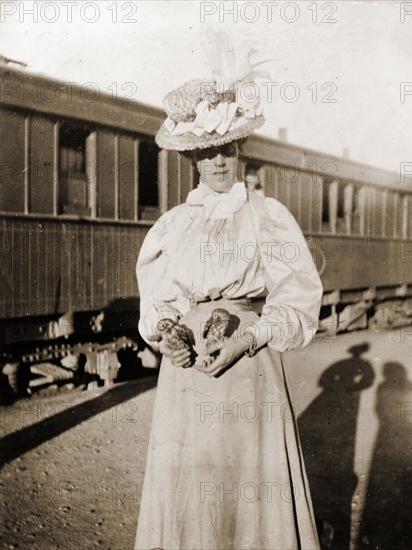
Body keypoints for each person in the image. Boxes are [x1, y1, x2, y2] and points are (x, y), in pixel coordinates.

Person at [134, 30, 323, 550]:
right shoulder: (173, 227)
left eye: (227, 150)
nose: (218, 162)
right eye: (208, 153)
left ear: (240, 149)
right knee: (192, 489)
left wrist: (248, 337)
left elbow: (299, 296)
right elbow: (159, 299)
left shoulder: (268, 217)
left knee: (250, 489)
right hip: (187, 375)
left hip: (249, 368)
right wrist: (168, 332)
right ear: (192, 159)